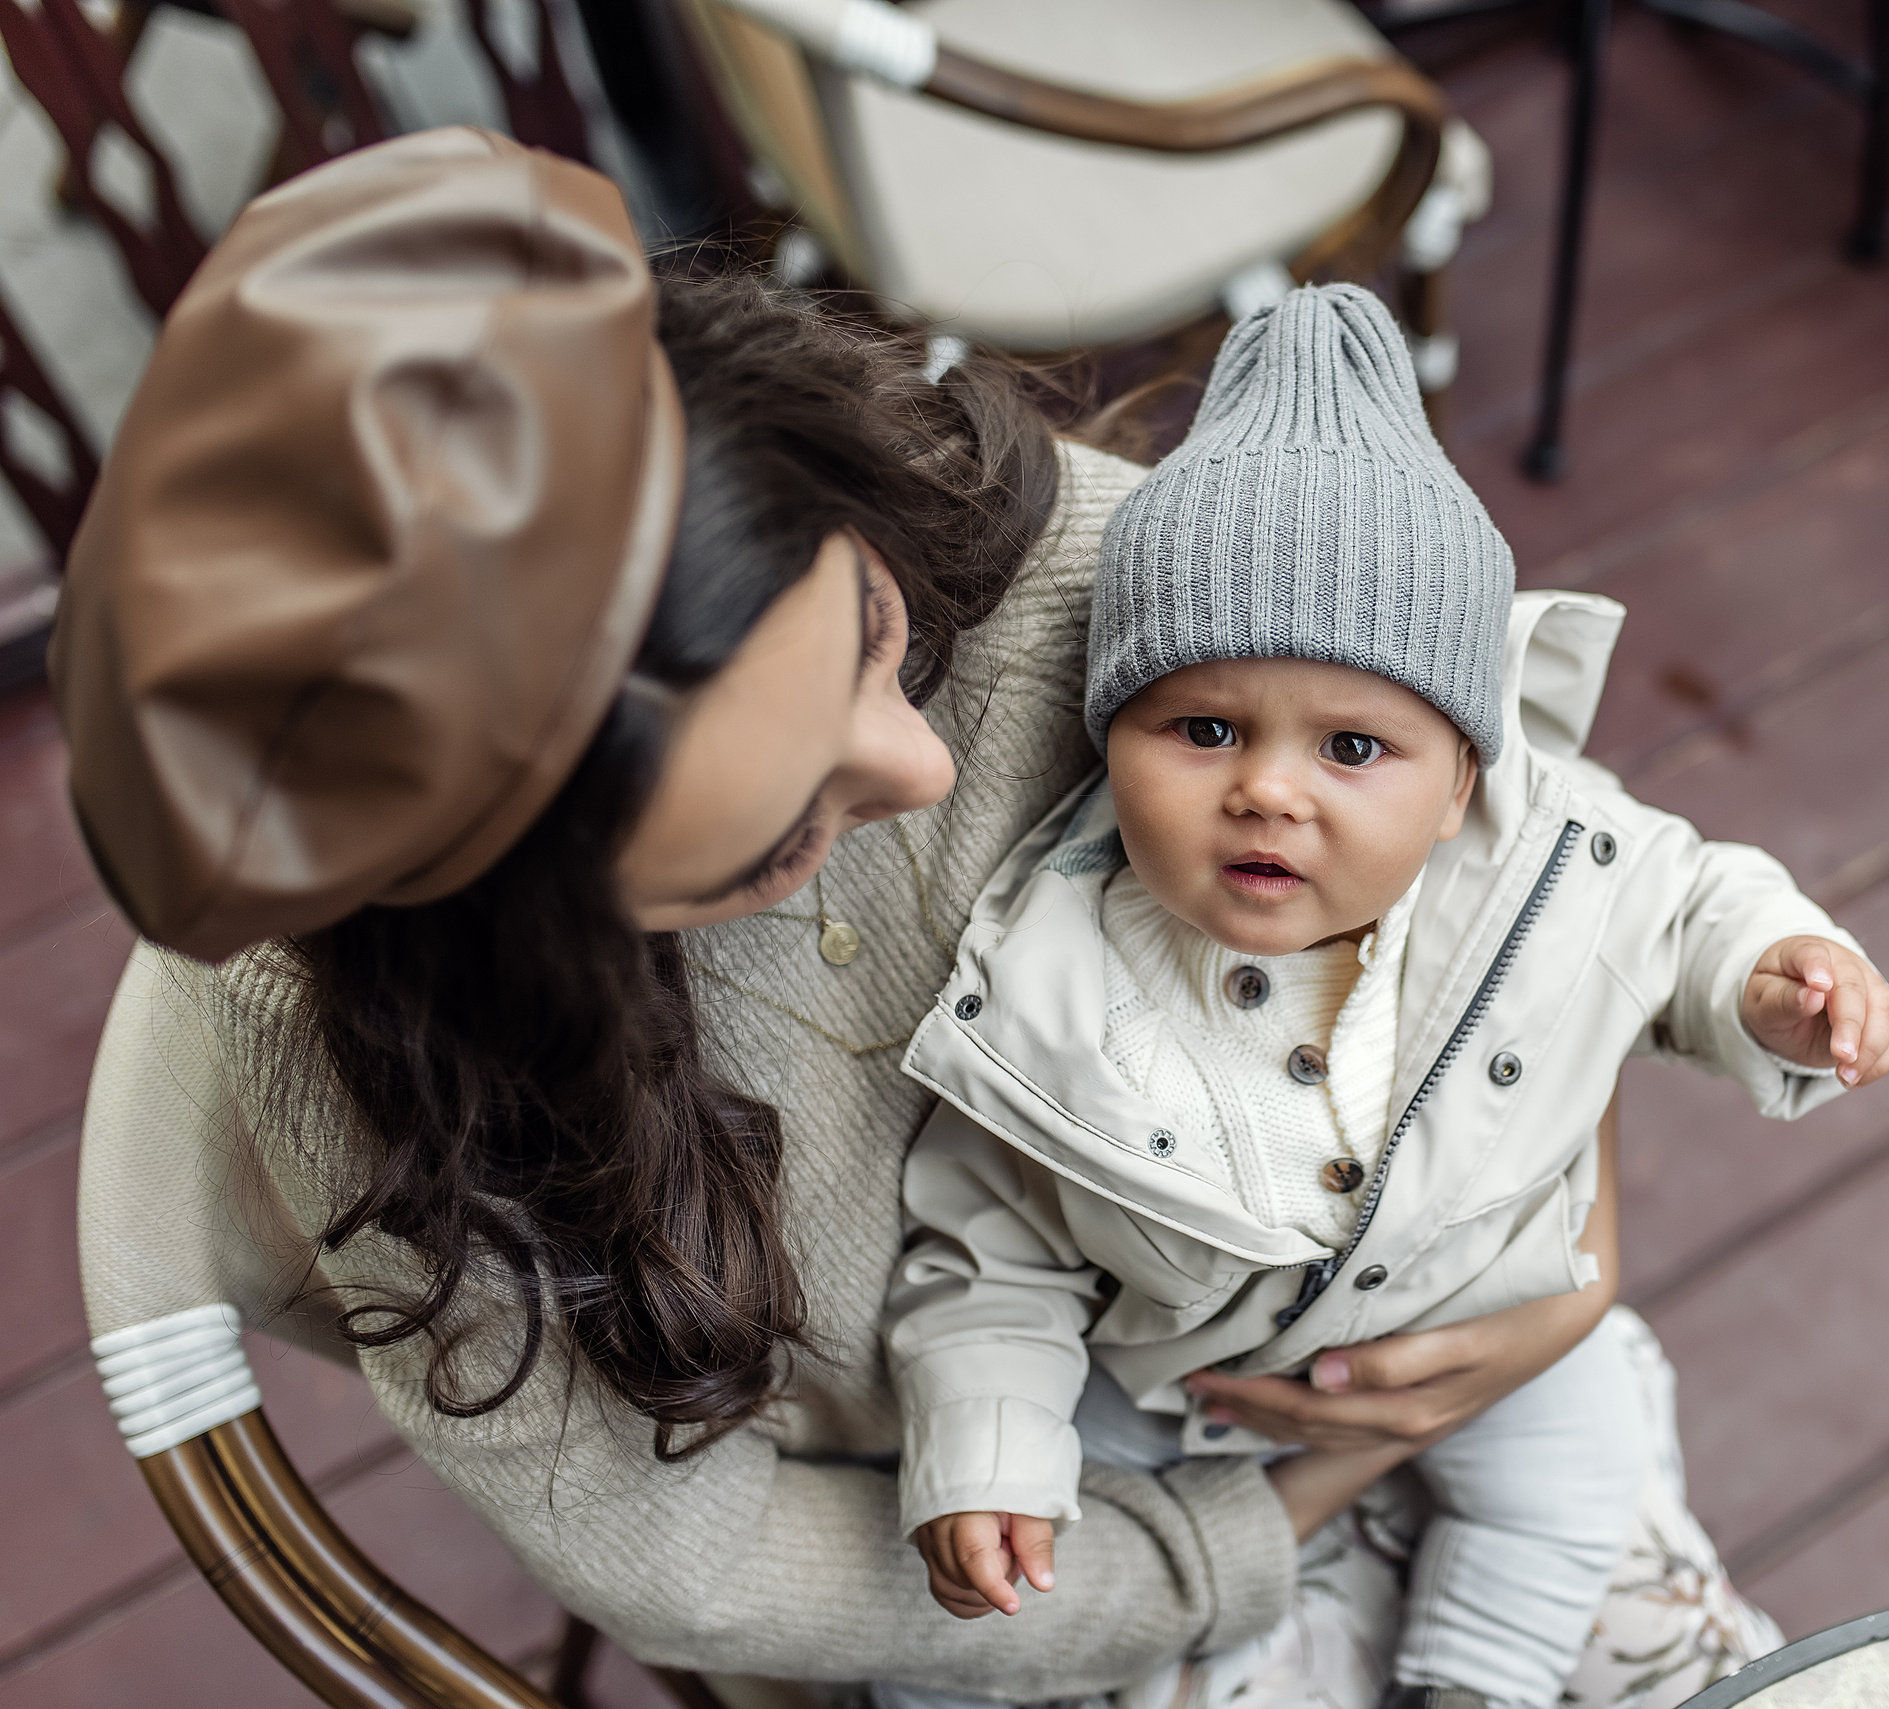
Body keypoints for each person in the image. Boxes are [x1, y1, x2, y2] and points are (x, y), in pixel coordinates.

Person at [56, 132, 1783, 1707]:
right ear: (534, 951)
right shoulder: (395, 1073)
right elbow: (690, 1562)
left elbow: (1509, 836)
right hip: (990, 1571)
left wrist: (1580, 1231)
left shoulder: (1064, 564)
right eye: (774, 834)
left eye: (873, 638)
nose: (914, 766)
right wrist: (1220, 1550)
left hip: (1419, 1321)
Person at [883, 286, 1889, 1709]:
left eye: (1353, 744)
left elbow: (1691, 905)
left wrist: (1777, 980)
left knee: (1577, 1455)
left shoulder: (1554, 858)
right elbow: (988, 1248)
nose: (1267, 787)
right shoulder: (1053, 983)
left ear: (1459, 789)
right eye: (1202, 726)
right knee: (976, 1648)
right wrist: (987, 1449)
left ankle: (1476, 1680)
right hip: (1184, 1382)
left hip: (1489, 1299)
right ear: (1108, 736)